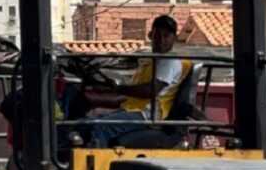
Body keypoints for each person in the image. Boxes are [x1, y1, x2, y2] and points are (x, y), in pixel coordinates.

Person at [71, 14, 192, 146]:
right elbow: (130, 92)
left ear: (174, 38)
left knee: (101, 127)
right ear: (151, 35)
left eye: (166, 36)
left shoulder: (169, 62)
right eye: (158, 35)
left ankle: (96, 162)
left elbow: (150, 91)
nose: (161, 40)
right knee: (87, 121)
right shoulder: (149, 61)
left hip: (148, 115)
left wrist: (118, 89)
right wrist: (107, 90)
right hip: (133, 109)